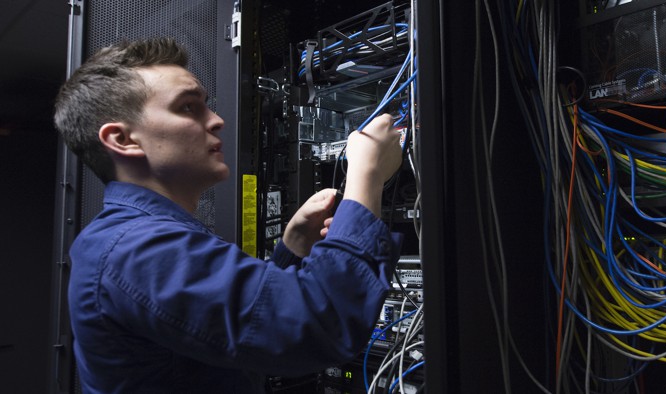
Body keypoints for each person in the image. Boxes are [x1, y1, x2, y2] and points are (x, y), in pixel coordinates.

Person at [53, 37, 404, 392]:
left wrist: (292, 249)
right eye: (188, 107)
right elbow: (321, 323)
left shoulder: (128, 239)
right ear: (123, 140)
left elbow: (243, 337)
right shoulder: (137, 249)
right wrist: (366, 174)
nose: (218, 120)